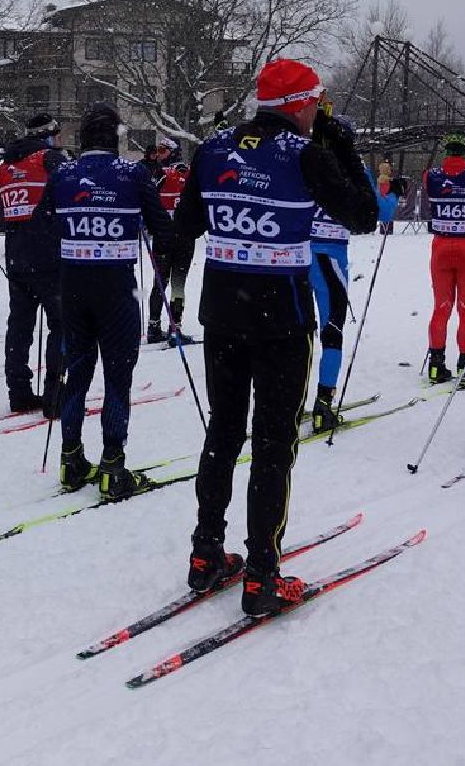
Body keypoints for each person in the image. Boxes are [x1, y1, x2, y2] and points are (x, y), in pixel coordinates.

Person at [175, 60, 377, 615]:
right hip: (280, 318)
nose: (320, 113)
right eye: (318, 105)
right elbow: (363, 215)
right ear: (302, 104)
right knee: (272, 442)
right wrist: (341, 145)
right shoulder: (306, 153)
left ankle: (205, 553)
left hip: (221, 310)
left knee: (223, 430)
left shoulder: (213, 148)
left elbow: (182, 227)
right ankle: (262, 573)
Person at [35, 102, 173, 500]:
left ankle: (71, 458)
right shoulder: (133, 174)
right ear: (114, 137)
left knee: (77, 371)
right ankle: (113, 464)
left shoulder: (62, 173)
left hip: (73, 286)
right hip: (116, 288)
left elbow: (44, 224)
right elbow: (164, 233)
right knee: (117, 375)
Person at [306, 109, 374, 434]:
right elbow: (375, 213)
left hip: (297, 256)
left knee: (295, 331)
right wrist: (395, 192)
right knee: (332, 330)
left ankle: (286, 399)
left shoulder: (305, 160)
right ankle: (323, 403)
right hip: (331, 256)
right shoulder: (352, 167)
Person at [0, 113, 67, 414]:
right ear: (48, 135)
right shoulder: (50, 158)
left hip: (17, 253)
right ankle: (55, 394)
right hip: (49, 254)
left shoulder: (7, 164)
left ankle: (19, 391)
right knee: (61, 326)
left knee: (20, 326)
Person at [423, 133, 465, 388]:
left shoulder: (432, 175)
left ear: (447, 151)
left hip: (441, 244)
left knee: (441, 306)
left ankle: (436, 364)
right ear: (464, 151)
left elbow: (429, 179)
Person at [144, 136, 195, 345]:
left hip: (176, 236)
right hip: (170, 236)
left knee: (173, 283)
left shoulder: (168, 173)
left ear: (173, 152)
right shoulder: (159, 173)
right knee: (165, 283)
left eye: (163, 150)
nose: (158, 154)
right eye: (158, 150)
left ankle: (172, 326)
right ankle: (158, 326)